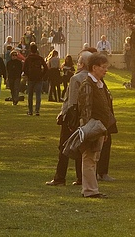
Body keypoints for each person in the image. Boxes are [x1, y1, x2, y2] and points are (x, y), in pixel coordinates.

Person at [45, 50, 92, 187]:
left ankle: (60, 177)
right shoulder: (92, 78)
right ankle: (81, 177)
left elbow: (71, 102)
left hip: (72, 118)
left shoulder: (76, 79)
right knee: (81, 148)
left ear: (82, 63)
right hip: (85, 118)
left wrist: (64, 115)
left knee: (64, 147)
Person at [77, 52, 116, 198]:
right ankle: (90, 190)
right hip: (92, 128)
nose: (106, 70)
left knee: (93, 159)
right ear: (94, 67)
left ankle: (92, 188)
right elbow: (86, 109)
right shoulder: (88, 85)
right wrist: (89, 132)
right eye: (103, 67)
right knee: (89, 158)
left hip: (99, 128)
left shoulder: (99, 84)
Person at [22, 42, 47, 116]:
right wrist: (42, 75)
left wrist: (27, 75)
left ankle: (30, 110)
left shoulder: (28, 59)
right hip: (39, 78)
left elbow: (24, 69)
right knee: (38, 95)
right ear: (36, 50)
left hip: (31, 78)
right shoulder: (40, 58)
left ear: (30, 50)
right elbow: (46, 68)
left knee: (30, 95)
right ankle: (37, 110)